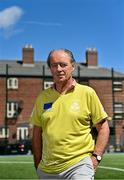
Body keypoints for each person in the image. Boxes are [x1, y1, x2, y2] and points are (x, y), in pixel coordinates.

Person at [30, 48, 110, 180]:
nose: (59, 69)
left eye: (63, 64)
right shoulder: (42, 97)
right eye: (54, 65)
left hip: (79, 166)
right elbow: (37, 133)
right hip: (47, 170)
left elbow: (103, 127)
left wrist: (96, 157)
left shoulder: (87, 93)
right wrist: (37, 164)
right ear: (50, 68)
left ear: (72, 66)